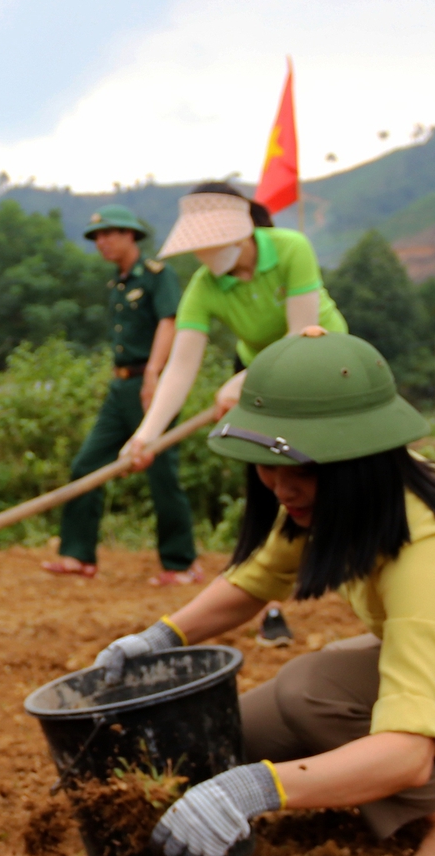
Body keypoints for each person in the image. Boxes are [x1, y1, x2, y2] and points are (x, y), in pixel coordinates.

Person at [92, 330, 435, 856]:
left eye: (301, 468)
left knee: (312, 690)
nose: (282, 488)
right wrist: (158, 639)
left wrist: (254, 791)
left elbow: (408, 750)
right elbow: (253, 583)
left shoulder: (432, 544)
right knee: (223, 736)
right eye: (268, 464)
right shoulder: (336, 500)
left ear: (358, 459)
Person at [123, 183, 349, 644]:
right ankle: (268, 607)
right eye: (196, 247)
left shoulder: (291, 249)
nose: (202, 256)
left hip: (326, 359)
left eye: (209, 243)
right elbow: (181, 366)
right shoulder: (204, 287)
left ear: (239, 233)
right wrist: (146, 435)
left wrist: (243, 382)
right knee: (268, 483)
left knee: (344, 470)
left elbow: (300, 335)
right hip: (254, 375)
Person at [42, 207, 201, 585]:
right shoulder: (116, 284)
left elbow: (170, 321)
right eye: (97, 237)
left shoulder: (158, 276)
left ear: (132, 236)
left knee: (162, 474)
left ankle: (180, 564)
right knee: (87, 465)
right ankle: (78, 555)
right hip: (121, 387)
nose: (102, 242)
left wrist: (153, 373)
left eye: (110, 234)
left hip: (155, 385)